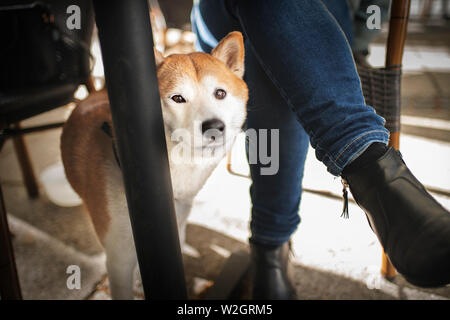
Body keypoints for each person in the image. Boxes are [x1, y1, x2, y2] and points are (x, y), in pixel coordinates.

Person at [191, 0, 450, 299]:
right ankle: (370, 165)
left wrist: (365, 32)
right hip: (222, 20)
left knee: (273, 66)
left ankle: (270, 251)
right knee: (274, 60)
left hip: (318, 20)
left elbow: (377, 6)